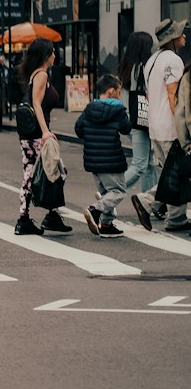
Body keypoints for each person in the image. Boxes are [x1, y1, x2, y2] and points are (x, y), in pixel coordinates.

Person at [132, 18, 189, 234]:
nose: (184, 36)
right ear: (173, 39)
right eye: (181, 33)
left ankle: (176, 219)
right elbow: (174, 96)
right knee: (176, 175)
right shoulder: (173, 61)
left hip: (155, 126)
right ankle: (146, 200)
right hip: (170, 128)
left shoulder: (152, 61)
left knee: (172, 175)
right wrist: (183, 128)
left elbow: (149, 95)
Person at [14, 40, 72, 237]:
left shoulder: (36, 75)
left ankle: (37, 216)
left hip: (29, 135)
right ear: (46, 55)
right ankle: (37, 217)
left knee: (35, 174)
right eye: (53, 52)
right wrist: (46, 132)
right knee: (57, 171)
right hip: (37, 135)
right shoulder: (41, 75)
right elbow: (37, 105)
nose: (55, 55)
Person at [75, 74, 131, 238]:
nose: (120, 95)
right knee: (118, 191)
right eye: (119, 92)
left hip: (93, 161)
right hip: (111, 159)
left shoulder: (89, 109)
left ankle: (106, 224)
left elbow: (78, 130)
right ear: (112, 91)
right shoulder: (118, 110)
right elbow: (126, 129)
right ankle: (95, 210)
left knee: (108, 193)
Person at [118, 30, 158, 211]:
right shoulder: (141, 68)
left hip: (131, 119)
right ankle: (112, 192)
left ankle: (148, 201)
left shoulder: (127, 66)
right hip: (140, 121)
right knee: (141, 164)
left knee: (148, 164)